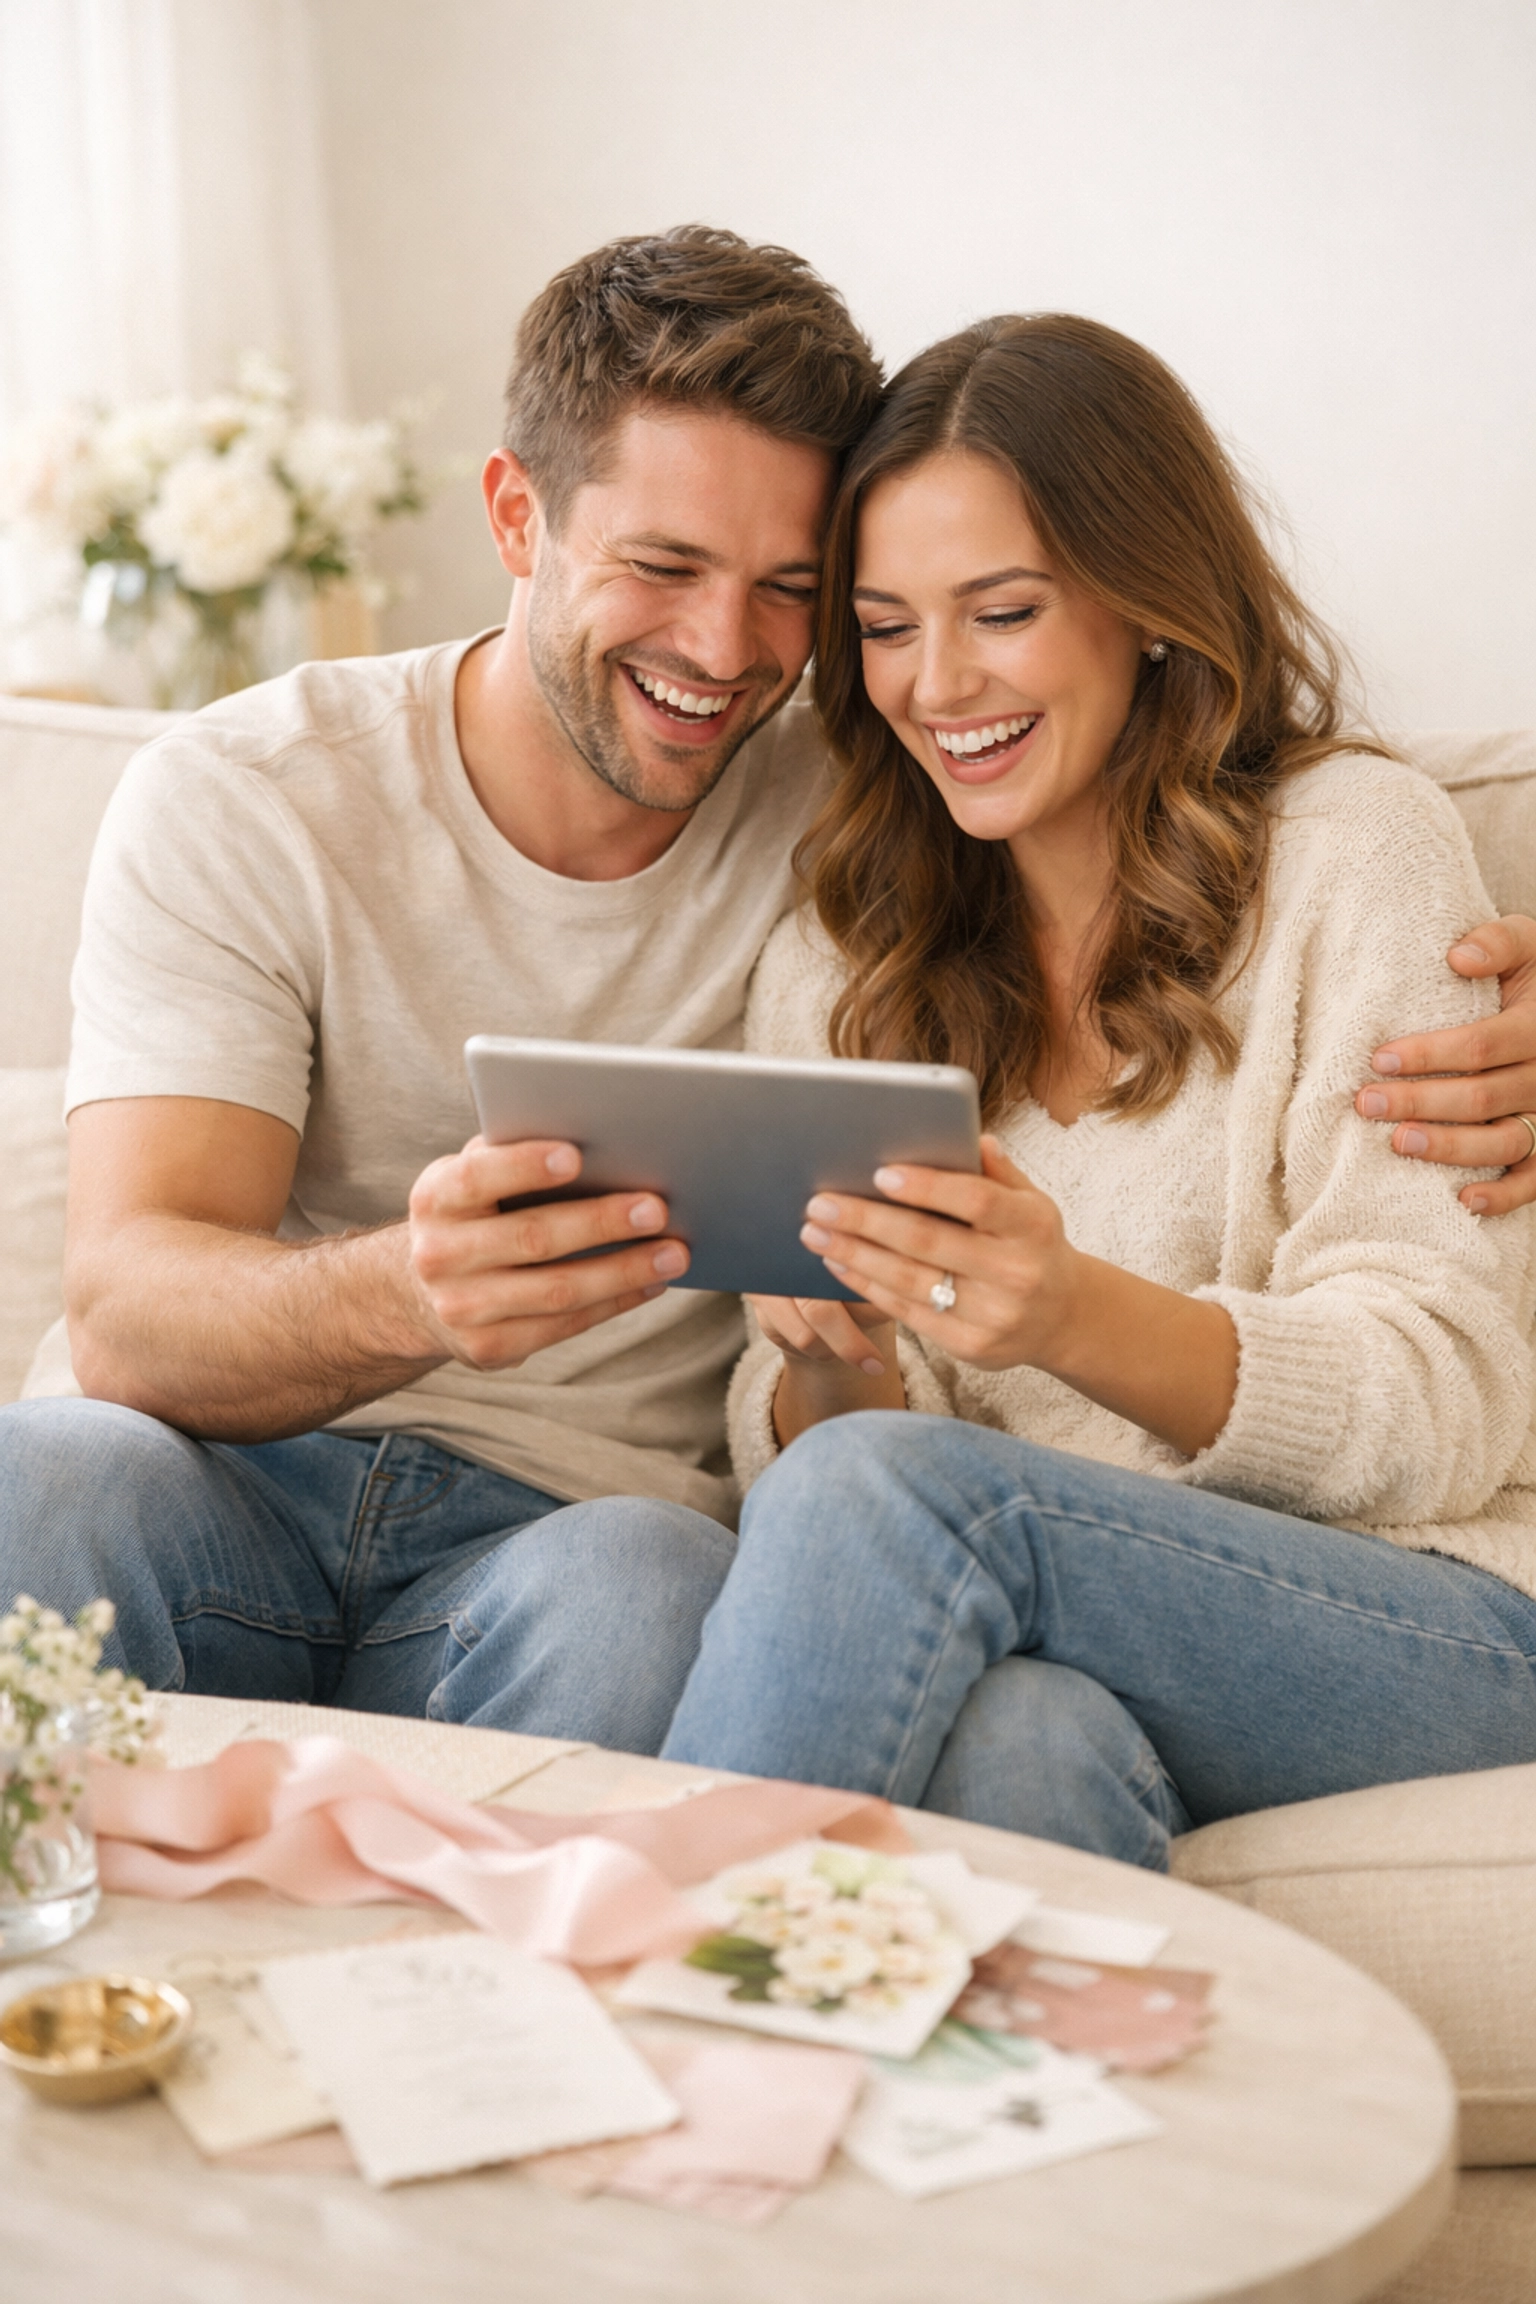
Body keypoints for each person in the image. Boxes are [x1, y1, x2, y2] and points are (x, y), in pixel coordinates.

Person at [1, 235, 1534, 1748]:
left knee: (658, 1593)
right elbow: (131, 1314)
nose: (726, 653)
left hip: (585, 1531)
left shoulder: (875, 808)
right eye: (663, 567)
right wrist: (429, 1288)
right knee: (48, 1482)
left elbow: (1267, 841)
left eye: (793, 592)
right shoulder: (262, 796)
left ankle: (637, 1975)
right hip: (223, 1482)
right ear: (516, 517)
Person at [658, 314, 1536, 1866]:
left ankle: (629, 2012)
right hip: (1067, 1637)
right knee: (1020, 1742)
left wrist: (1066, 1312)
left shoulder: (1357, 852)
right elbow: (822, 1450)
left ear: (1147, 604)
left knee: (908, 1502)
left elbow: (1447, 1400)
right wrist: (834, 1356)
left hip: (1427, 1615)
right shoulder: (844, 950)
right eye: (883, 625)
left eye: (1000, 610)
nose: (939, 685)